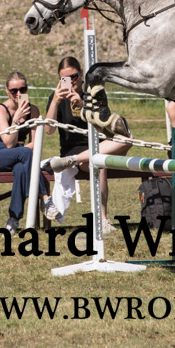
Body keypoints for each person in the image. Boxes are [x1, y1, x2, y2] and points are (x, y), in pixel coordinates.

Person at [44, 57, 132, 228]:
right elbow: (49, 130)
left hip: (100, 145)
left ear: (81, 73)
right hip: (74, 148)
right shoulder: (56, 99)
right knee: (99, 164)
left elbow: (106, 126)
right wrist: (55, 102)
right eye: (65, 79)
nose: (71, 82)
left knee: (128, 139)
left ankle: (73, 160)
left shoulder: (93, 94)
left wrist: (83, 104)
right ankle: (103, 219)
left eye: (74, 76)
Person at [0, 72, 61, 231]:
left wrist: (22, 151)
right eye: (14, 90)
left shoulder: (33, 110)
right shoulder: (1, 110)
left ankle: (13, 220)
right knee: (26, 154)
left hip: (21, 155)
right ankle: (45, 199)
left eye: (22, 89)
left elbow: (35, 143)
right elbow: (8, 144)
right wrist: (16, 119)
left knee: (22, 169)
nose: (18, 93)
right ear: (7, 90)